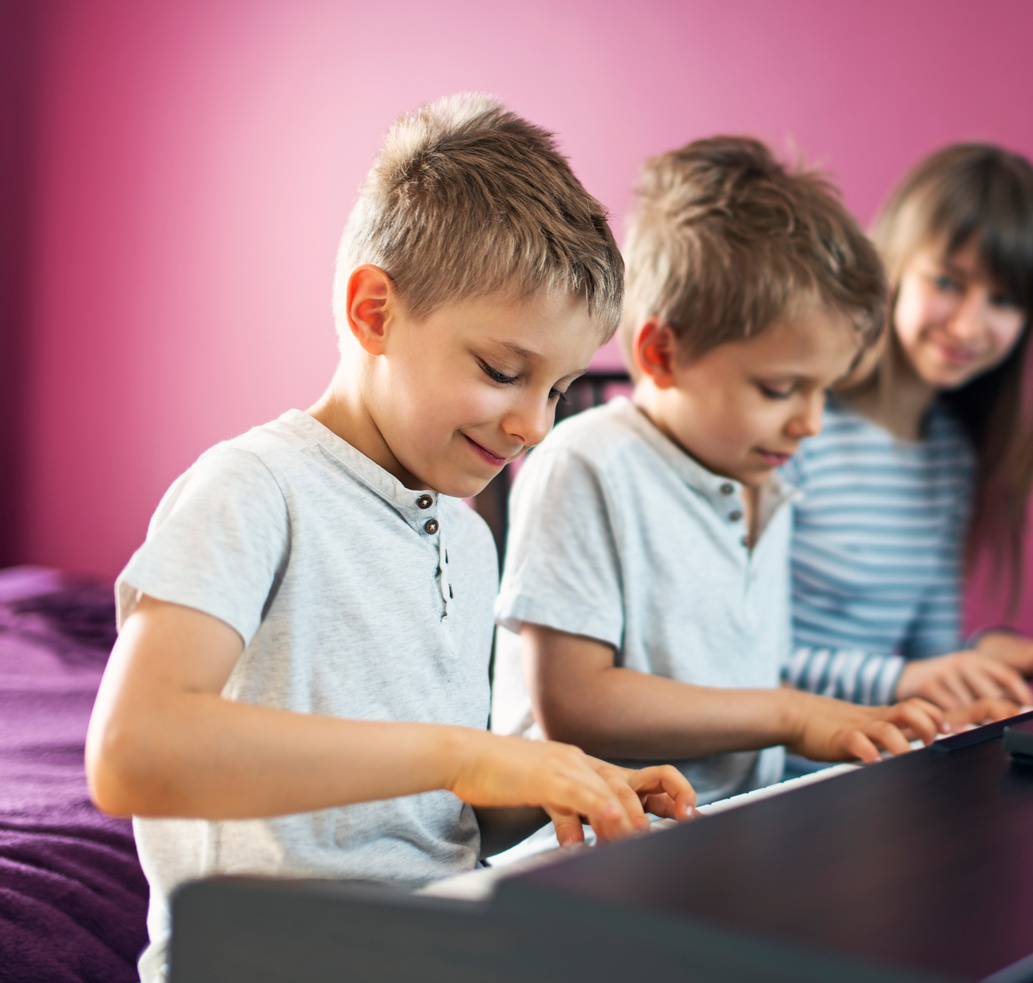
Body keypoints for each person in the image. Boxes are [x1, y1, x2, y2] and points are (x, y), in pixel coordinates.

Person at [84, 94, 697, 983]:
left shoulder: (469, 533)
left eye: (558, 388)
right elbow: (132, 753)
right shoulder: (257, 490)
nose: (532, 424)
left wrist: (557, 781)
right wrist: (469, 752)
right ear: (374, 312)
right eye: (501, 371)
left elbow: (425, 824)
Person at [491, 137, 963, 805]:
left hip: (728, 829)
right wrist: (791, 714)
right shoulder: (587, 463)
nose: (811, 422)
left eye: (824, 390)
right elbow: (576, 701)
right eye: (779, 389)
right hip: (588, 843)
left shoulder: (765, 479)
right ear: (662, 353)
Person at [782, 144, 1033, 722]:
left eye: (1004, 300)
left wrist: (1004, 659)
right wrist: (906, 680)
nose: (968, 324)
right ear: (894, 264)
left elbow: (931, 656)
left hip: (868, 764)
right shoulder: (793, 428)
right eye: (948, 281)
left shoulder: (950, 458)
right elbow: (736, 663)